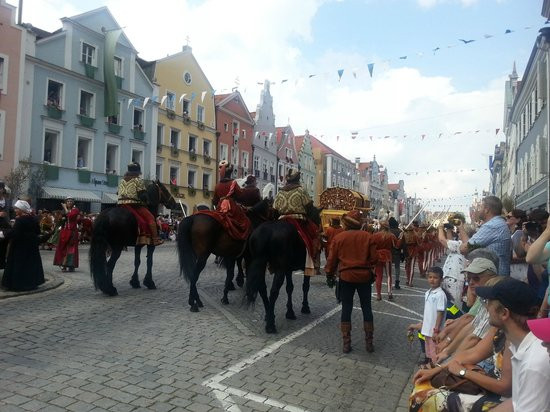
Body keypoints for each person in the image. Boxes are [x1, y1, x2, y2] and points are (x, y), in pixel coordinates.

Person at [476, 278, 550, 412]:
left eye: (489, 302)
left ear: (504, 313)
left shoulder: (533, 363)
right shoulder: (522, 345)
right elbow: (517, 402)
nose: (486, 307)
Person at [325, 209, 378, 353]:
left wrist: (329, 274)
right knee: (367, 307)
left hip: (346, 277)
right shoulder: (368, 236)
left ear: (346, 223)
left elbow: (331, 259)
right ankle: (369, 343)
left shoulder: (339, 238)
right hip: (364, 277)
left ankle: (346, 343)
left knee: (346, 308)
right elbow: (374, 259)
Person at [273, 169, 320, 276]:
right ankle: (310, 260)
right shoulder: (301, 190)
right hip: (298, 219)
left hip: (281, 219)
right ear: (298, 179)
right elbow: (309, 207)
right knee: (310, 237)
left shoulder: (280, 191)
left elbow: (274, 209)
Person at [459, 196, 511, 276]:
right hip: (497, 276)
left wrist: (462, 247)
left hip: (493, 278)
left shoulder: (492, 226)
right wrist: (460, 228)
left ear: (487, 209)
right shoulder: (498, 223)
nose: (479, 210)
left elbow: (464, 249)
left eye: (480, 207)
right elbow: (470, 245)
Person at [1, 200, 45, 291]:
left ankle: (19, 285)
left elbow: (15, 233)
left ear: (22, 209)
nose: (15, 210)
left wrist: (3, 234)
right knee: (30, 265)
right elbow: (38, 231)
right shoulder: (33, 218)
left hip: (20, 247)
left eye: (17, 209)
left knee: (19, 265)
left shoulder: (20, 220)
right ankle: (31, 283)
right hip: (31, 246)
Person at [408, 267, 447, 365]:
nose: (432, 280)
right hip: (427, 329)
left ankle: (433, 369)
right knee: (429, 350)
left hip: (434, 331)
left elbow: (440, 313)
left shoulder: (440, 295)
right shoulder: (428, 292)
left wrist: (436, 330)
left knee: (434, 352)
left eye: (435, 278)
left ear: (441, 279)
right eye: (430, 277)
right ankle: (429, 364)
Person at [117, 162, 163, 246]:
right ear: (138, 172)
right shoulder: (138, 180)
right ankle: (155, 239)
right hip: (134, 205)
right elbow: (142, 195)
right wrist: (147, 200)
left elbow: (118, 193)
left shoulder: (122, 180)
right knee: (151, 218)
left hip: (120, 204)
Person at [438, 221, 466, 306]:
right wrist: (449, 230)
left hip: (454, 281)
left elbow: (442, 240)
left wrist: (440, 228)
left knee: (453, 306)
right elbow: (450, 242)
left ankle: (453, 318)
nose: (458, 233)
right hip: (451, 278)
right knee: (445, 305)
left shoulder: (463, 245)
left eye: (459, 231)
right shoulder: (461, 244)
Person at [372, 221, 399, 301]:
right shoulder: (391, 236)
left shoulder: (375, 235)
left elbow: (373, 246)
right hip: (387, 256)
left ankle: (378, 294)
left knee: (378, 276)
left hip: (378, 256)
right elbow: (396, 246)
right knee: (389, 275)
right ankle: (389, 293)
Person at [53, 197, 80, 271]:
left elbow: (70, 215)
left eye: (71, 201)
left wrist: (65, 207)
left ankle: (70, 265)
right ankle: (63, 264)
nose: (69, 202)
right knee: (63, 248)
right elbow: (59, 220)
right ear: (66, 202)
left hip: (72, 232)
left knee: (71, 249)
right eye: (68, 201)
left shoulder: (75, 210)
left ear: (73, 203)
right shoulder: (63, 211)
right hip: (64, 232)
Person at [506, 209, 528, 282]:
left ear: (518, 219)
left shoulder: (518, 233)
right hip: (517, 271)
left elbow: (520, 255)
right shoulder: (514, 233)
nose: (507, 218)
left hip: (520, 272)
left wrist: (508, 259)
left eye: (509, 217)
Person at [389, 217, 405, 290]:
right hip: (397, 252)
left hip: (389, 251)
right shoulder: (400, 231)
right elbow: (403, 243)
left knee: (389, 268)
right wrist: (403, 253)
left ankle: (389, 283)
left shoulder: (388, 231)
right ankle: (397, 282)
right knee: (397, 268)